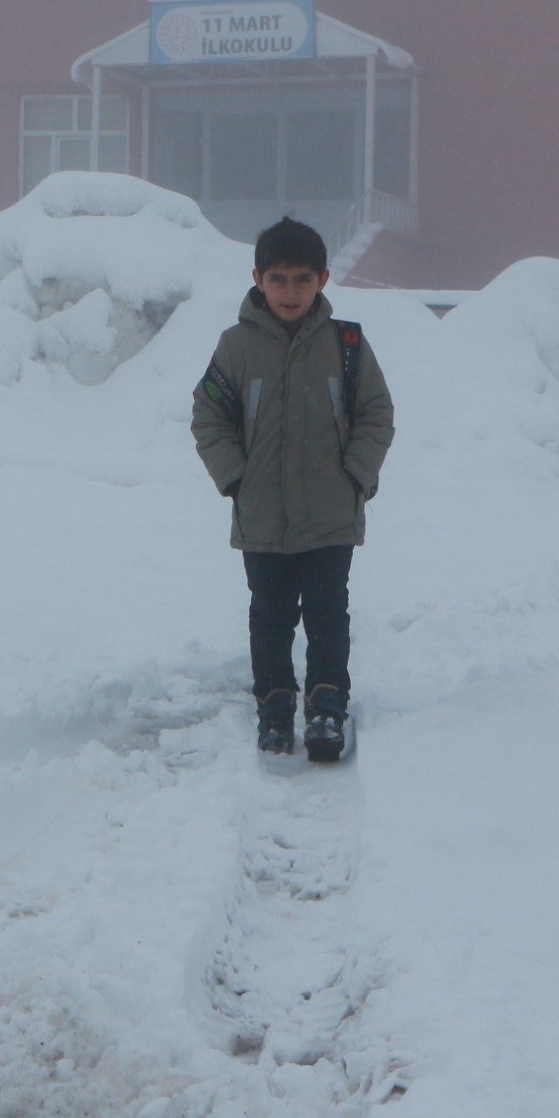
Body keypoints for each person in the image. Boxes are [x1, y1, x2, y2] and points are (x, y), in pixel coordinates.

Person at [190, 218, 396, 759]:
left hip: (330, 513)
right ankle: (275, 707)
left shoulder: (346, 344)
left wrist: (355, 474)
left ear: (324, 279)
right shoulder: (235, 348)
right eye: (278, 279)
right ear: (257, 277)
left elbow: (376, 414)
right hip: (262, 516)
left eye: (302, 279)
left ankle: (327, 705)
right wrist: (235, 476)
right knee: (271, 614)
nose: (290, 291)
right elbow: (208, 416)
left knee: (329, 612)